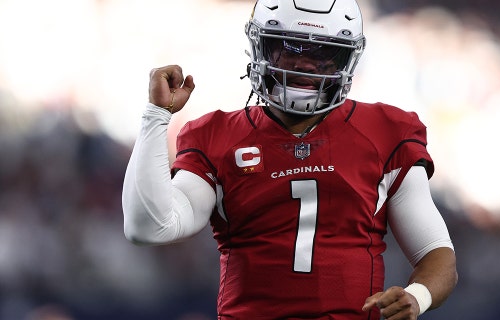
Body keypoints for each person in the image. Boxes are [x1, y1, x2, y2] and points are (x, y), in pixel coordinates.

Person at [122, 0, 457, 319]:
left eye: (323, 52)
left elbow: (437, 253)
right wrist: (156, 115)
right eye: (289, 47)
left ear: (346, 59)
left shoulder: (386, 132)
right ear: (260, 47)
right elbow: (150, 226)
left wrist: (418, 296)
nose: (304, 64)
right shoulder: (217, 136)